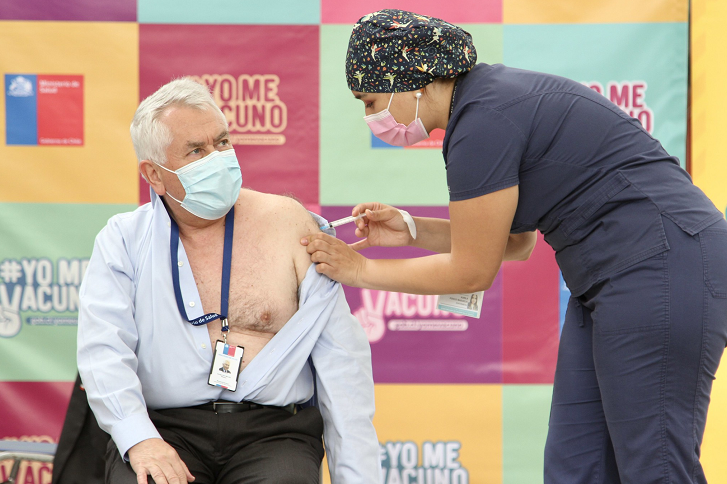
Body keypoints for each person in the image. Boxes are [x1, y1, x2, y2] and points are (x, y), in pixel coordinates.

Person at [301, 9, 727, 483]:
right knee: (575, 468)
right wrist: (411, 229)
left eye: (371, 101)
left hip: (663, 264)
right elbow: (516, 242)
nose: (371, 118)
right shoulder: (482, 105)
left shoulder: (482, 120)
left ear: (410, 81)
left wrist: (358, 270)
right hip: (610, 278)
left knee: (655, 467)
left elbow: (471, 272)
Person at [77, 78, 380, 484]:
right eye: (196, 151)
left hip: (273, 434)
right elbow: (103, 353)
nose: (217, 159)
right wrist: (140, 439)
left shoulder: (290, 223)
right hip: (164, 428)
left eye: (222, 142)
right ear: (154, 175)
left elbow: (342, 361)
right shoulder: (123, 240)